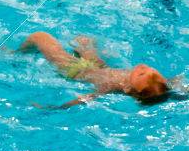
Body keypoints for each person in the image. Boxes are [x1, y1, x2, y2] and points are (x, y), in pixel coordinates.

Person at [19, 31, 173, 108]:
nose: (143, 67)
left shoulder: (110, 86)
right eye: (151, 69)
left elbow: (87, 98)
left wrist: (55, 108)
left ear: (127, 88)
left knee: (39, 36)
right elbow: (166, 88)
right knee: (84, 39)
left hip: (75, 70)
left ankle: (14, 54)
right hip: (98, 66)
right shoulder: (154, 86)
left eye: (141, 73)